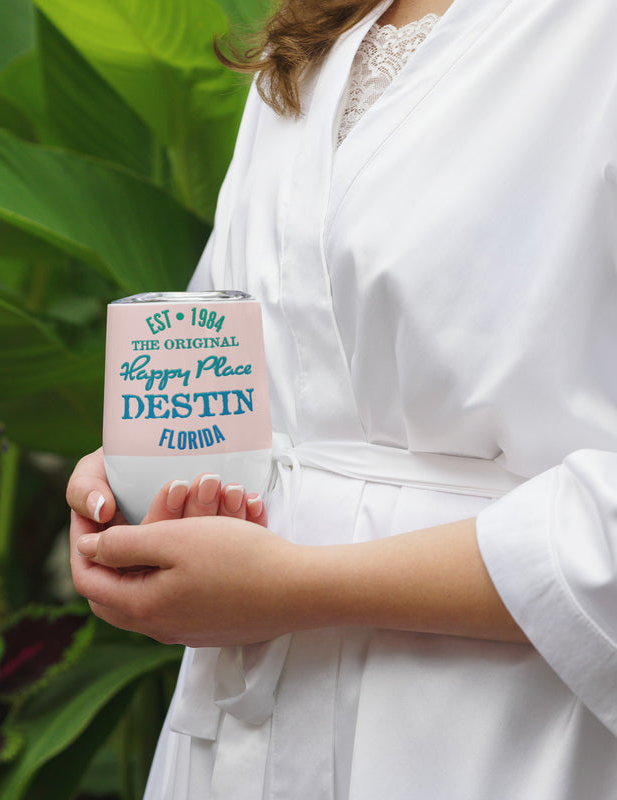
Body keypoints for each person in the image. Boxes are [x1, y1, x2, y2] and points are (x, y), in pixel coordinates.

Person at [67, 0, 617, 796]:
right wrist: (141, 479)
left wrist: (295, 587)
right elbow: (253, 360)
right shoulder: (318, 31)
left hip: (500, 727)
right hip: (247, 727)